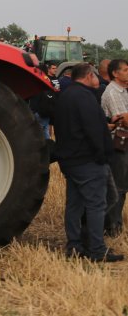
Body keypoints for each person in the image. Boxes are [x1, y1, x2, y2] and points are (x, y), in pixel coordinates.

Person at [54, 63, 124, 262]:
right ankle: (96, 249)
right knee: (98, 203)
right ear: (88, 76)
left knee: (75, 205)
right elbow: (92, 129)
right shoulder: (85, 97)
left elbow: (70, 126)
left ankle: (75, 246)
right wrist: (102, 156)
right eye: (95, 76)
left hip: (70, 159)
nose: (98, 80)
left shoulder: (66, 96)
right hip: (88, 160)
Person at [100, 59, 128, 235]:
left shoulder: (123, 91)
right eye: (125, 70)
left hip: (124, 143)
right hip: (118, 145)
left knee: (122, 184)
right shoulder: (112, 93)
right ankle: (112, 226)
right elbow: (124, 119)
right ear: (115, 74)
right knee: (118, 186)